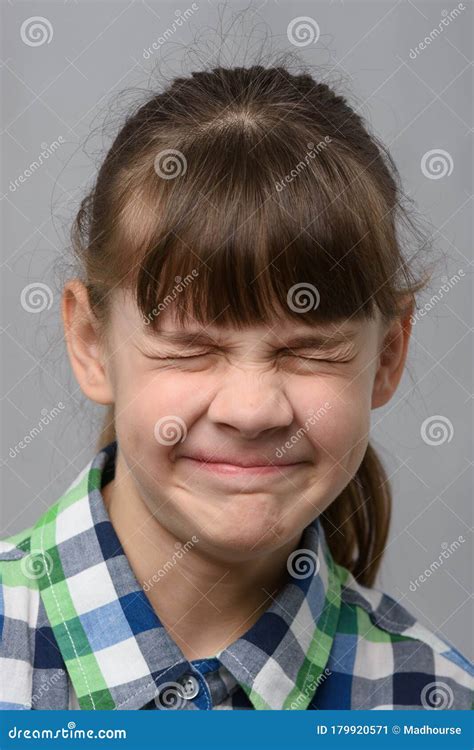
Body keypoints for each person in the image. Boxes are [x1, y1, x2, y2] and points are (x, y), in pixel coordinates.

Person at [1, 65, 472, 711]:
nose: (252, 411)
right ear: (91, 343)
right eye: (192, 349)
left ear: (388, 355)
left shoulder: (434, 704)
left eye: (310, 351)